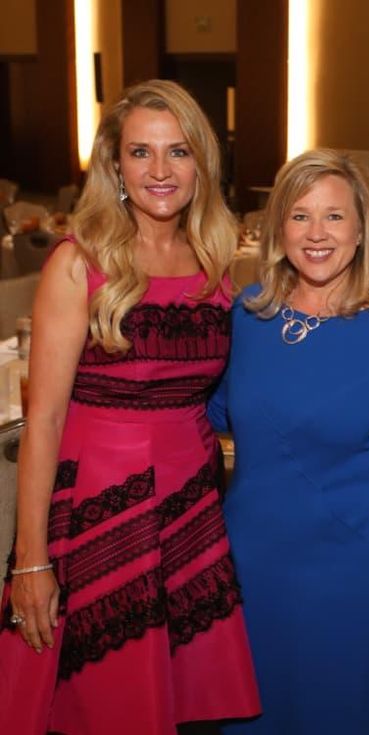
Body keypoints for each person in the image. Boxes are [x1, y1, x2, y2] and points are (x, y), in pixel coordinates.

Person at [0, 80, 260, 734]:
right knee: (102, 702)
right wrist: (30, 558)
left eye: (177, 152)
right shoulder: (78, 262)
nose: (160, 170)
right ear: (114, 165)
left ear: (201, 162)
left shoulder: (218, 262)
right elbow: (45, 422)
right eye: (141, 153)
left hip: (191, 504)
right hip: (98, 507)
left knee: (179, 704)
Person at [207, 149, 369, 734]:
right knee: (253, 708)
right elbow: (213, 409)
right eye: (300, 215)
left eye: (334, 217)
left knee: (339, 712)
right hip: (253, 556)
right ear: (278, 227)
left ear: (362, 230)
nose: (316, 234)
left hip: (350, 565)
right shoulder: (248, 314)